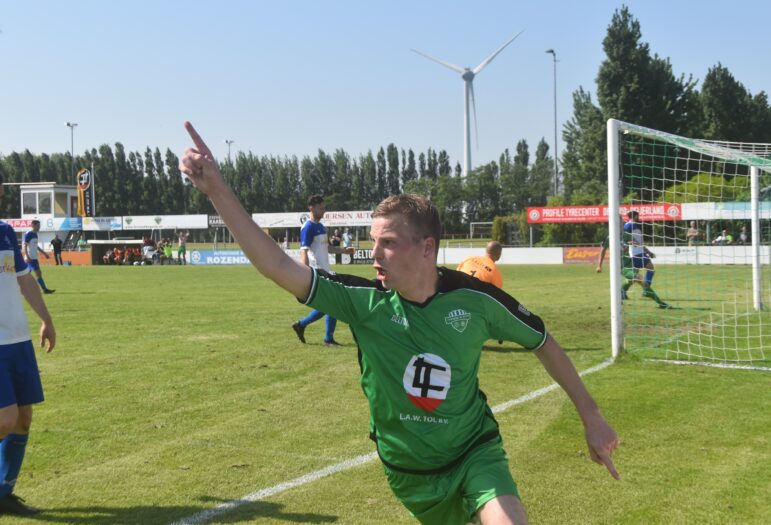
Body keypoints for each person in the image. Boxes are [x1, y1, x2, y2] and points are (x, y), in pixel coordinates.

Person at [180, 122, 619, 524]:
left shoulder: (477, 300)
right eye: (374, 242)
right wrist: (217, 190)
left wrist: (592, 416)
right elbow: (276, 265)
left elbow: (541, 340)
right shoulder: (362, 301)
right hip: (409, 473)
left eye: (387, 243)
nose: (374, 254)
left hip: (475, 453)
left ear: (426, 247)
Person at [0, 178, 57, 516]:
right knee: (5, 418)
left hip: (18, 340)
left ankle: (3, 493)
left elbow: (24, 281)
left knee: (23, 417)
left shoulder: (6, 232)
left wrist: (46, 319)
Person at [291, 195, 354, 346]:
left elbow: (327, 248)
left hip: (325, 270)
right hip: (317, 271)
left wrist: (344, 251)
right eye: (321, 208)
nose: (324, 211)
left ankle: (302, 325)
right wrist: (305, 273)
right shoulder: (308, 227)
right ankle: (327, 338)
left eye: (324, 208)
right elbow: (303, 250)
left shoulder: (320, 226)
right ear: (311, 208)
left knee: (329, 305)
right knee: (333, 304)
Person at [623, 211, 669, 308]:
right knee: (647, 270)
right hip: (634, 254)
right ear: (635, 216)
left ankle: (623, 292)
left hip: (640, 253)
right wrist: (631, 242)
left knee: (635, 277)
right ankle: (645, 290)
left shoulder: (636, 227)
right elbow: (625, 238)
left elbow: (639, 243)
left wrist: (648, 252)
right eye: (638, 215)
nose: (639, 217)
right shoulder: (628, 225)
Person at [22, 221, 54, 294]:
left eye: (39, 225)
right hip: (30, 258)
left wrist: (44, 253)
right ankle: (44, 289)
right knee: (34, 274)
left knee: (31, 274)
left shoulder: (35, 234)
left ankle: (43, 289)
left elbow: (36, 246)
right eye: (38, 225)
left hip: (34, 258)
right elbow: (25, 246)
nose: (39, 227)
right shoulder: (28, 234)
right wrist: (27, 256)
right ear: (33, 225)